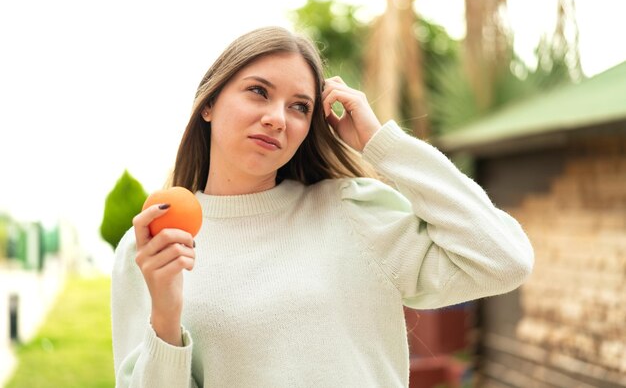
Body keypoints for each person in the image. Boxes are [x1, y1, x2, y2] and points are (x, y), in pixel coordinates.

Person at [111, 26, 534, 388]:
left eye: (300, 107)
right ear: (208, 103)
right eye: (258, 92)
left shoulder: (353, 213)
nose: (277, 118)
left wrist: (381, 143)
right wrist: (165, 318)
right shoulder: (150, 246)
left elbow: (504, 259)